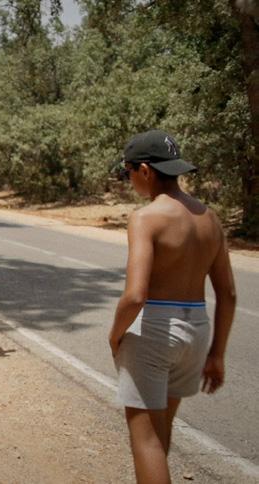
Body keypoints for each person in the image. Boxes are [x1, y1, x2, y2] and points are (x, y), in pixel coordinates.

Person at [110, 129, 236, 484]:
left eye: (129, 171)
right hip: (196, 328)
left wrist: (115, 335)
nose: (129, 179)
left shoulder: (146, 217)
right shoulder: (210, 218)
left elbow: (135, 296)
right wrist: (217, 354)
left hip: (154, 330)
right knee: (160, 431)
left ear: (145, 171)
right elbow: (227, 294)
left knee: (145, 440)